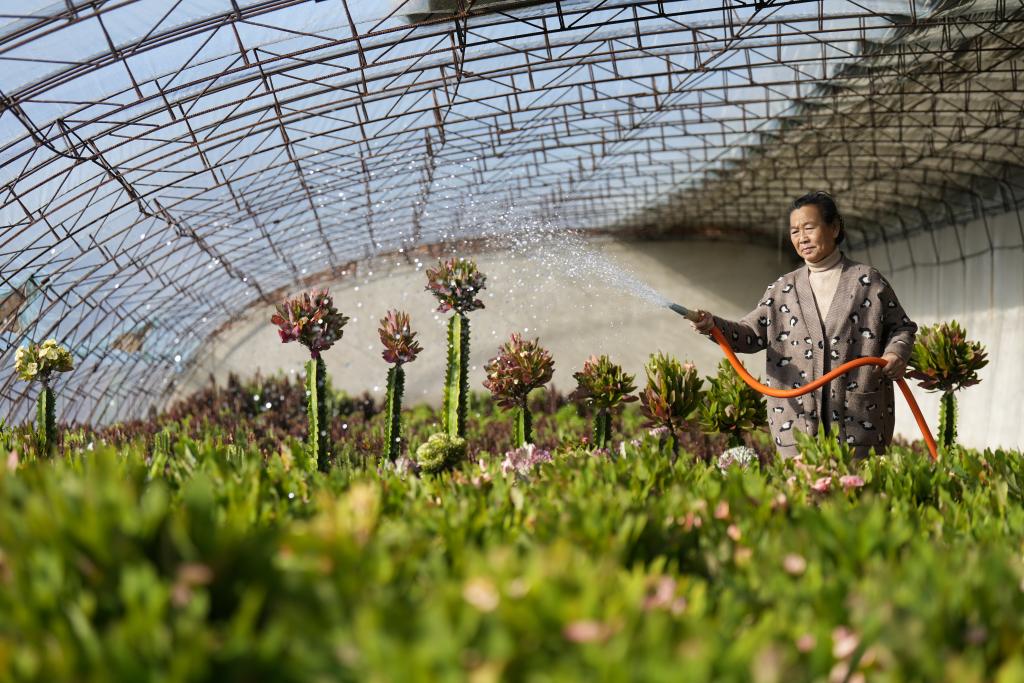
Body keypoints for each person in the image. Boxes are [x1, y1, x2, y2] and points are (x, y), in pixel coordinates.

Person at [690, 191, 917, 458]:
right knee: (800, 497)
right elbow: (749, 335)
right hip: (796, 426)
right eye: (795, 231)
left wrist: (895, 353)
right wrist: (712, 325)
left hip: (857, 425)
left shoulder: (866, 281)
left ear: (834, 228)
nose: (802, 238)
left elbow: (901, 327)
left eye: (809, 228)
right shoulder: (782, 289)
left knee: (858, 496)